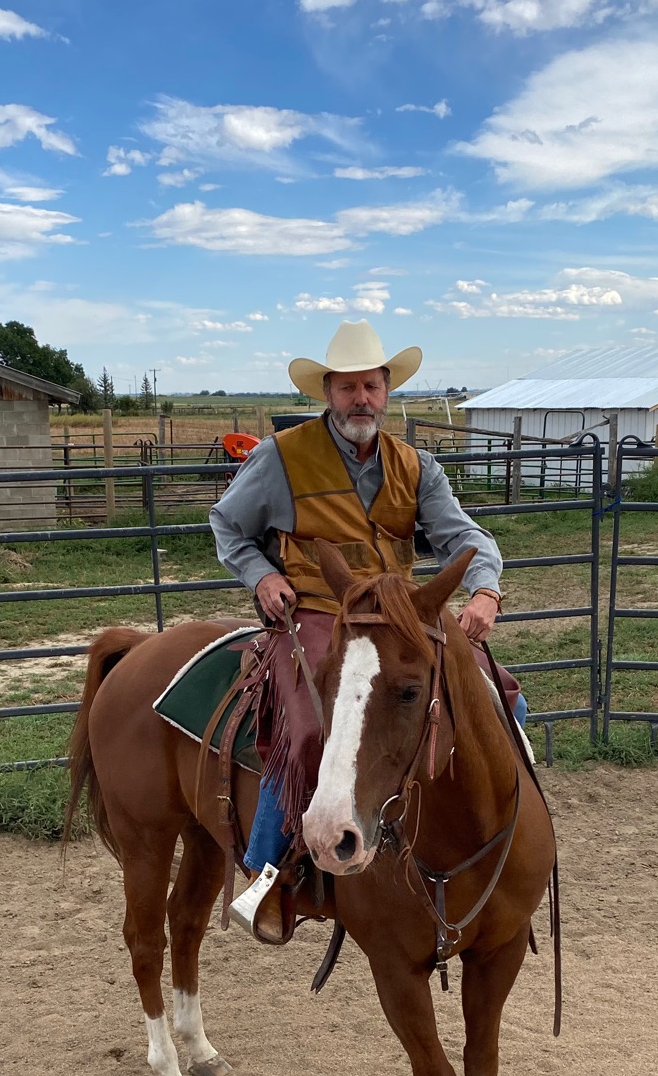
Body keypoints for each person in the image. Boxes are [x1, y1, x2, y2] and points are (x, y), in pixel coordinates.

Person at [209, 320, 521, 939]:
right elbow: (227, 524)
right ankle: (271, 873)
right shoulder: (281, 457)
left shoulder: (416, 466)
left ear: (387, 390)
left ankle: (491, 839)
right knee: (308, 728)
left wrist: (486, 588)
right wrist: (262, 577)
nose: (361, 399)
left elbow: (463, 535)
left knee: (502, 696)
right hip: (317, 608)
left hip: (398, 615)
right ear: (328, 392)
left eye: (371, 386)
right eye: (348, 387)